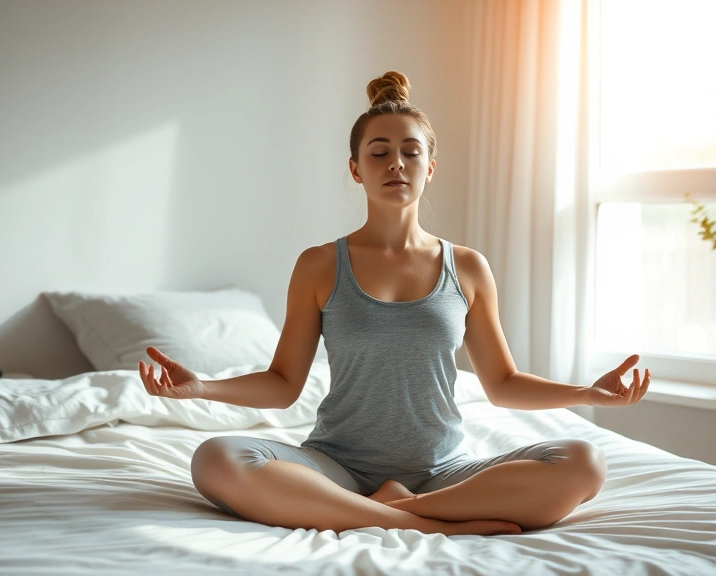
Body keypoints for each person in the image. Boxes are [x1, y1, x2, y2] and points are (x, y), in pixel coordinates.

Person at [138, 70, 650, 537]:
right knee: (216, 457)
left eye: (410, 152)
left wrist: (588, 392)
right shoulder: (319, 265)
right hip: (335, 468)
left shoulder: (468, 267)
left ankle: (397, 509)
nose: (396, 164)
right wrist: (201, 387)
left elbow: (503, 384)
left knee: (584, 461)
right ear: (356, 170)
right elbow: (282, 384)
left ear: (431, 166)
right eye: (379, 152)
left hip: (444, 472)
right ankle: (430, 524)